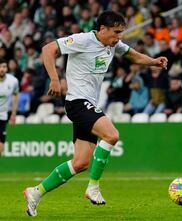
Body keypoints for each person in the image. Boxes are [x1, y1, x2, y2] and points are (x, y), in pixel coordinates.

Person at [24, 11, 168, 217]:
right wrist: (54, 79)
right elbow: (48, 49)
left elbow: (132, 54)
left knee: (81, 163)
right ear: (102, 29)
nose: (119, 37)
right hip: (77, 102)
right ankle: (93, 187)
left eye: (121, 33)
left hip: (88, 103)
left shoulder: (112, 44)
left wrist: (154, 61)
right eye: (116, 32)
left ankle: (35, 192)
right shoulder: (83, 40)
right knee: (112, 135)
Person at [0, 58, 19, 155]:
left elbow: (15, 95)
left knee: (1, 146)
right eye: (0, 67)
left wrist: (13, 113)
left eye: (4, 67)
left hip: (3, 116)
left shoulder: (13, 81)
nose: (2, 69)